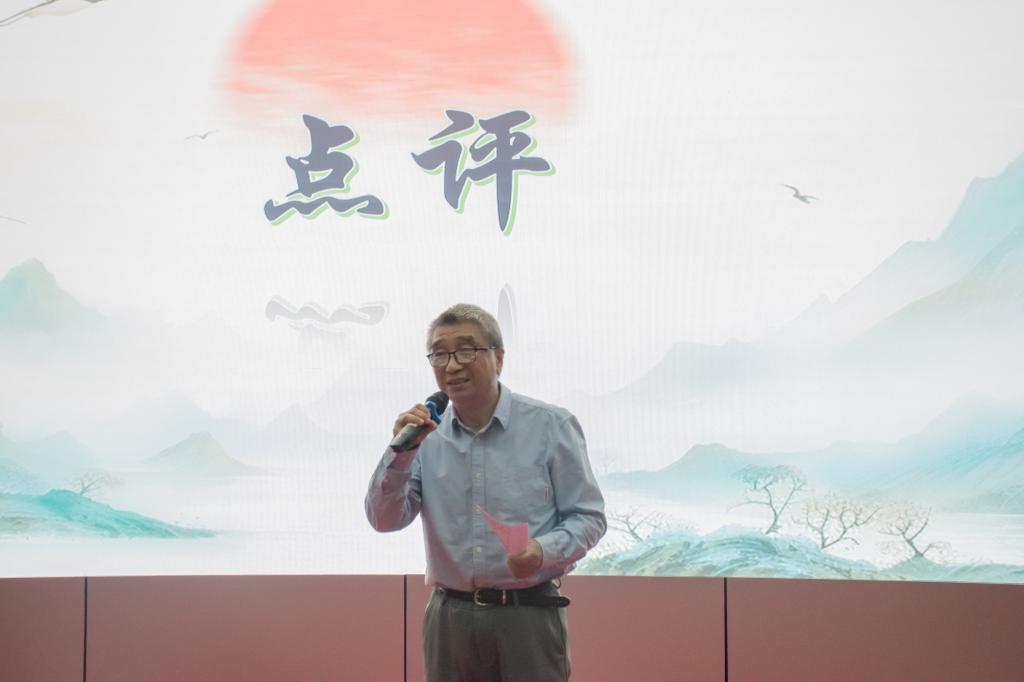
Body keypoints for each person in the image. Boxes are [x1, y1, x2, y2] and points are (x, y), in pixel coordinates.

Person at [365, 303, 606, 682]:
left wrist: (542, 551)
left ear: (499, 358)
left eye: (465, 350)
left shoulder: (551, 425)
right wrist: (399, 453)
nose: (451, 365)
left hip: (528, 613)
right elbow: (384, 520)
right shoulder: (425, 436)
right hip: (450, 617)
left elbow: (588, 517)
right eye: (439, 354)